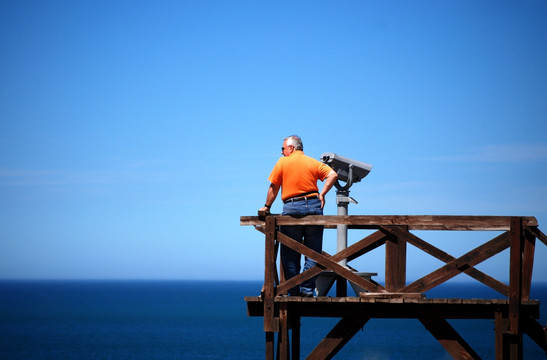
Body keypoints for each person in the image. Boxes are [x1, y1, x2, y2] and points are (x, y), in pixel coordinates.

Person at [259, 135, 338, 296]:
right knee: (313, 252)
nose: (281, 152)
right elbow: (333, 175)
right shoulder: (313, 162)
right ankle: (307, 290)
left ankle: (293, 291)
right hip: (314, 205)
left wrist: (267, 206)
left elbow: (274, 187)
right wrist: (322, 194)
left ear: (291, 148)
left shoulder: (283, 162)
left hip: (292, 206)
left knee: (290, 252)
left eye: (283, 149)